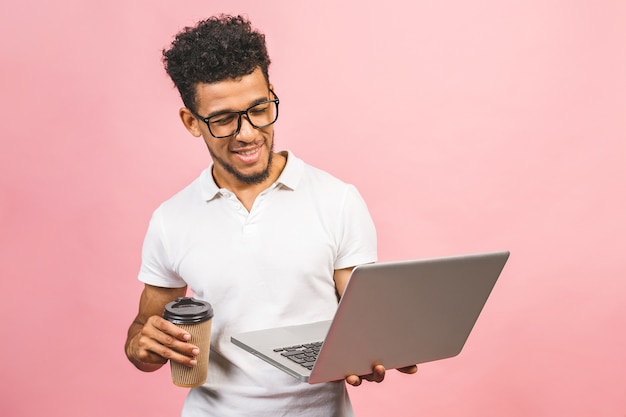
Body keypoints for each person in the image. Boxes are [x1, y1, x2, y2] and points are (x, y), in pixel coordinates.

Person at [124, 14, 417, 416]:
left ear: (271, 95)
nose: (247, 133)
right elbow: (145, 334)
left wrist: (379, 350)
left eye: (259, 109)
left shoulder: (338, 200)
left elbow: (363, 323)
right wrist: (142, 345)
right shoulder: (170, 219)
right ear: (192, 121)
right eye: (224, 119)